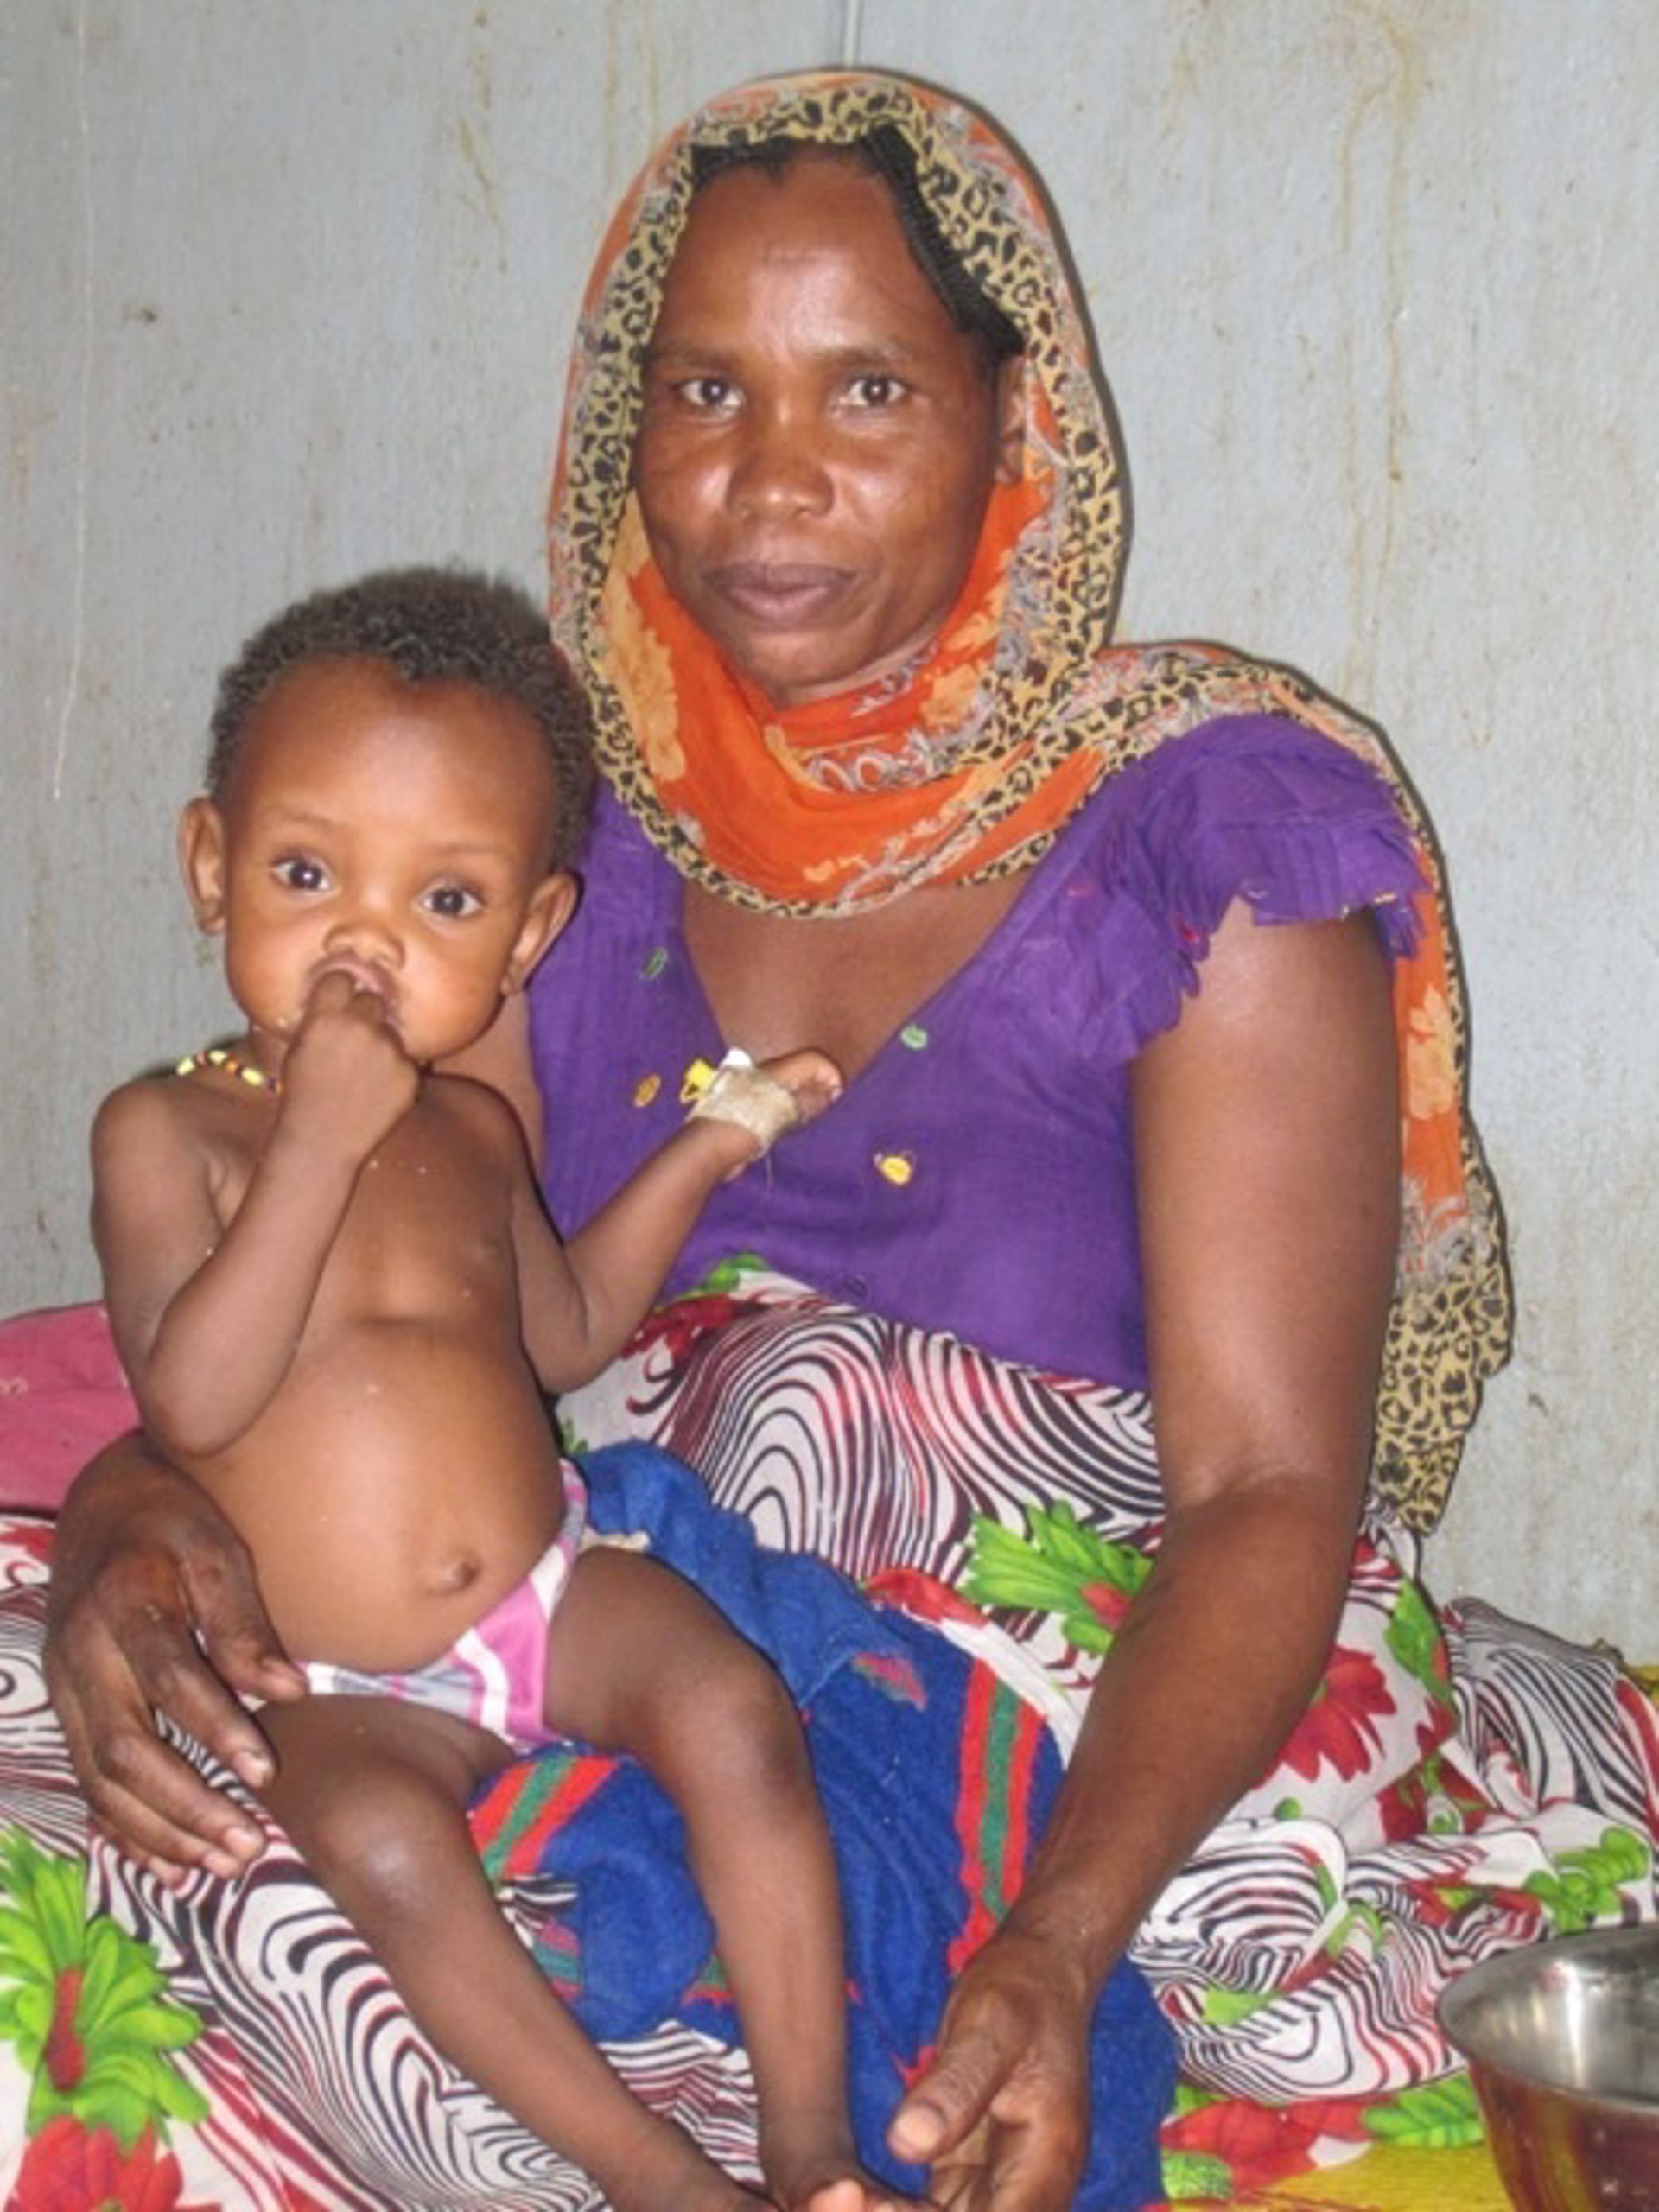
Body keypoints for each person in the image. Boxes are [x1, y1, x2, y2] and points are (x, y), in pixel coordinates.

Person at [46, 71, 1658, 2212]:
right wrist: (123, 1521)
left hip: (1072, 1689)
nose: (768, 477)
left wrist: (1055, 1937)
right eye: (705, 387)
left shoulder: (1207, 832)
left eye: (870, 386)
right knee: (125, 1863)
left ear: (1015, 418)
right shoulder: (543, 839)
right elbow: (397, 1301)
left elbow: (1270, 1486)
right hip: (583, 1585)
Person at [85, 563, 924, 2212]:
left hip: (547, 1597)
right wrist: (313, 1144)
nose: (368, 939)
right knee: (383, 1851)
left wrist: (713, 1144)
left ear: (530, 934)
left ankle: (813, 2145)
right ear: (209, 867)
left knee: (734, 1708)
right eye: (307, 873)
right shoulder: (168, 1130)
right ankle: (661, 2180)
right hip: (333, 1674)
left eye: (449, 901)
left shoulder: (474, 1133)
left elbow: (566, 1332)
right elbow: (191, 1399)